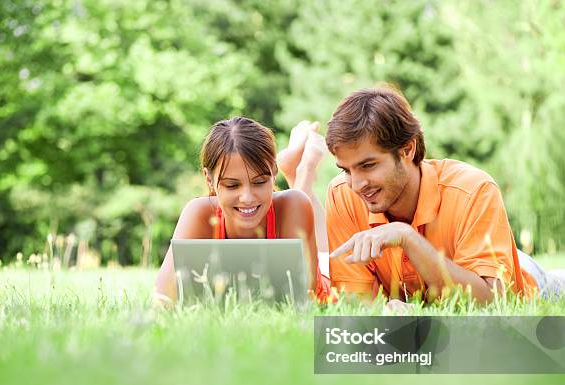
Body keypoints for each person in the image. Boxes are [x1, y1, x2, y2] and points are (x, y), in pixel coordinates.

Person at [324, 86, 563, 305]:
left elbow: (491, 303)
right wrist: (390, 313)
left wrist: (407, 237)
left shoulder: (473, 189)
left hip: (528, 281)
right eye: (346, 170)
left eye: (368, 165)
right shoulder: (342, 195)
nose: (356, 185)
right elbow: (354, 302)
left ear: (408, 149)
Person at [154, 116, 332, 305]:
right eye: (232, 185)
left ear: (273, 171)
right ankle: (293, 168)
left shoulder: (294, 203)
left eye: (259, 182)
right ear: (208, 179)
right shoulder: (198, 212)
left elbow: (303, 296)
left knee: (319, 242)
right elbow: (161, 297)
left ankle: (305, 168)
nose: (247, 197)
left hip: (325, 278)